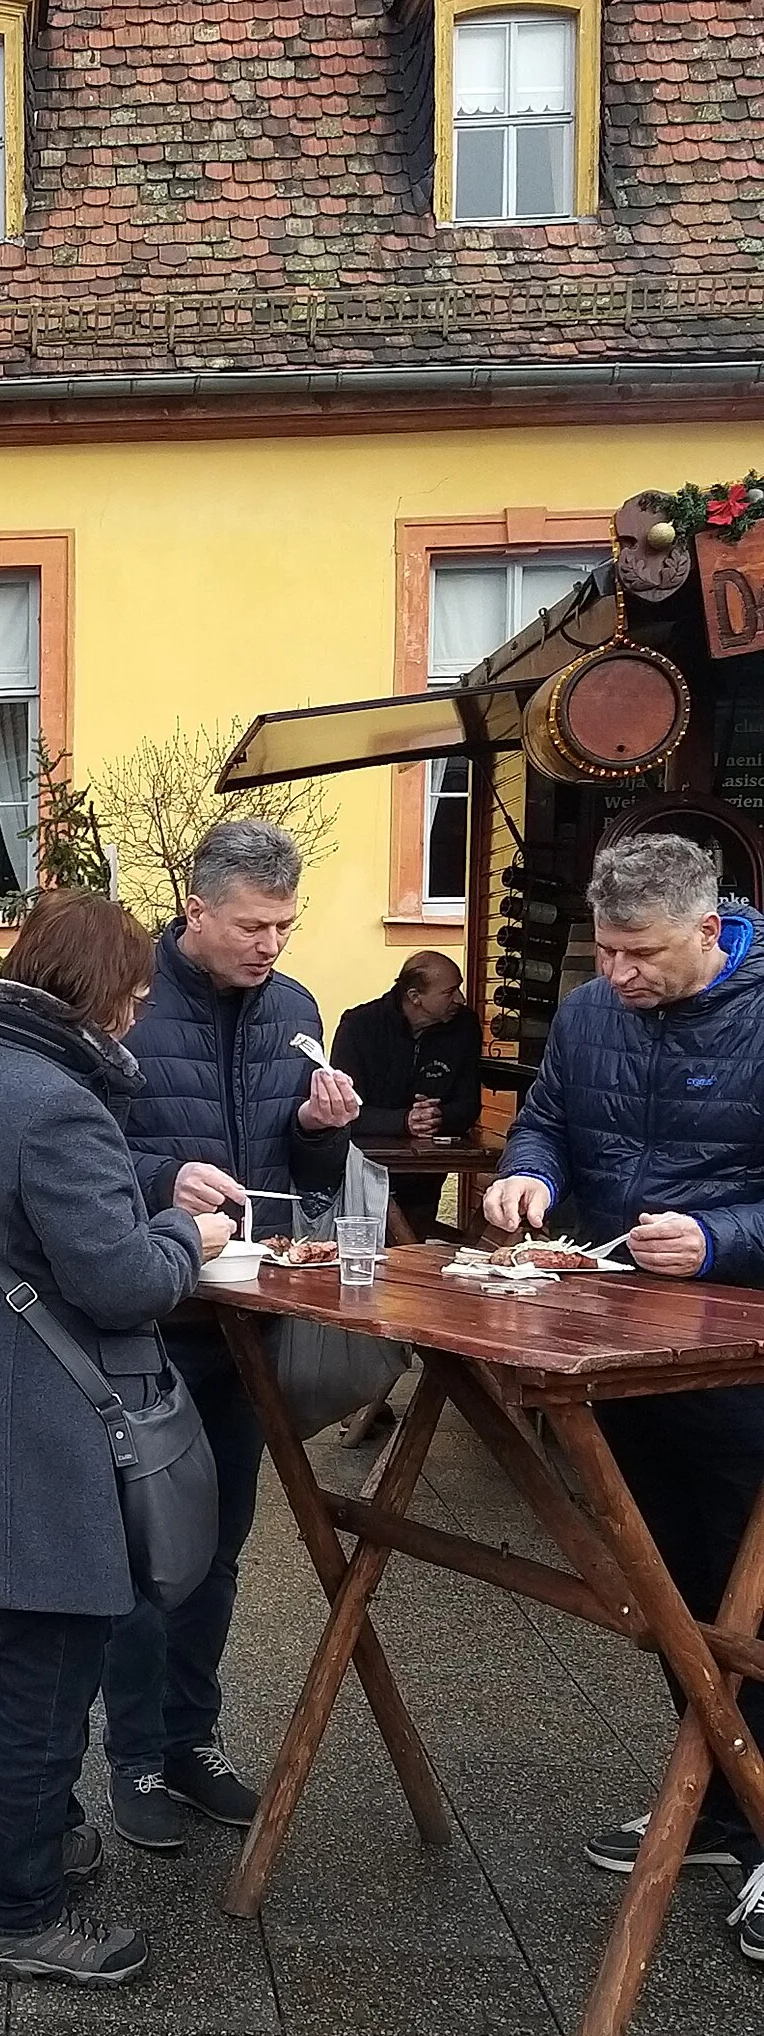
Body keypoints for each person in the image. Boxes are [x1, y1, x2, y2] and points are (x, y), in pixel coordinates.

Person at [0, 890, 238, 1985]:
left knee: (37, 1651)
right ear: (87, 993)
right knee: (46, 1672)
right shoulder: (55, 1102)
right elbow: (120, 1279)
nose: (137, 1013)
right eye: (131, 993)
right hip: (48, 1431)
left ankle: (37, 1840)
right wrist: (188, 1230)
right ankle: (13, 1908)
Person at [483, 831, 764, 1965]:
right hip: (613, 1341)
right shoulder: (596, 1009)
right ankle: (715, 1799)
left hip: (737, 1356)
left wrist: (713, 1238)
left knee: (750, 1597)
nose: (615, 976)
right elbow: (547, 1114)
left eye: (638, 953)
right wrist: (529, 1173)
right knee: (665, 1589)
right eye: (604, 951)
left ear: (709, 930)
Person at [109, 817, 361, 1851]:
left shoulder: (295, 1008)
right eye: (253, 925)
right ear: (195, 910)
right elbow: (72, 1155)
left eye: (284, 925)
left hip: (246, 1323)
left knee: (214, 1549)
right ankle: (129, 1757)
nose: (271, 946)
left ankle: (190, 1742)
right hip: (143, 1318)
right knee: (139, 1552)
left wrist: (320, 1133)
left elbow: (304, 1188)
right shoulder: (121, 1001)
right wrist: (158, 1178)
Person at [332, 951, 483, 1235]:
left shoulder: (465, 1026)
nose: (461, 999)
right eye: (450, 991)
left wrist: (440, 1117)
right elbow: (344, 1111)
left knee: (417, 1234)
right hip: (366, 1168)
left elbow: (469, 1103)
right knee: (384, 1241)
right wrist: (403, 1121)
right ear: (415, 996)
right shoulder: (359, 1026)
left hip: (428, 1171)